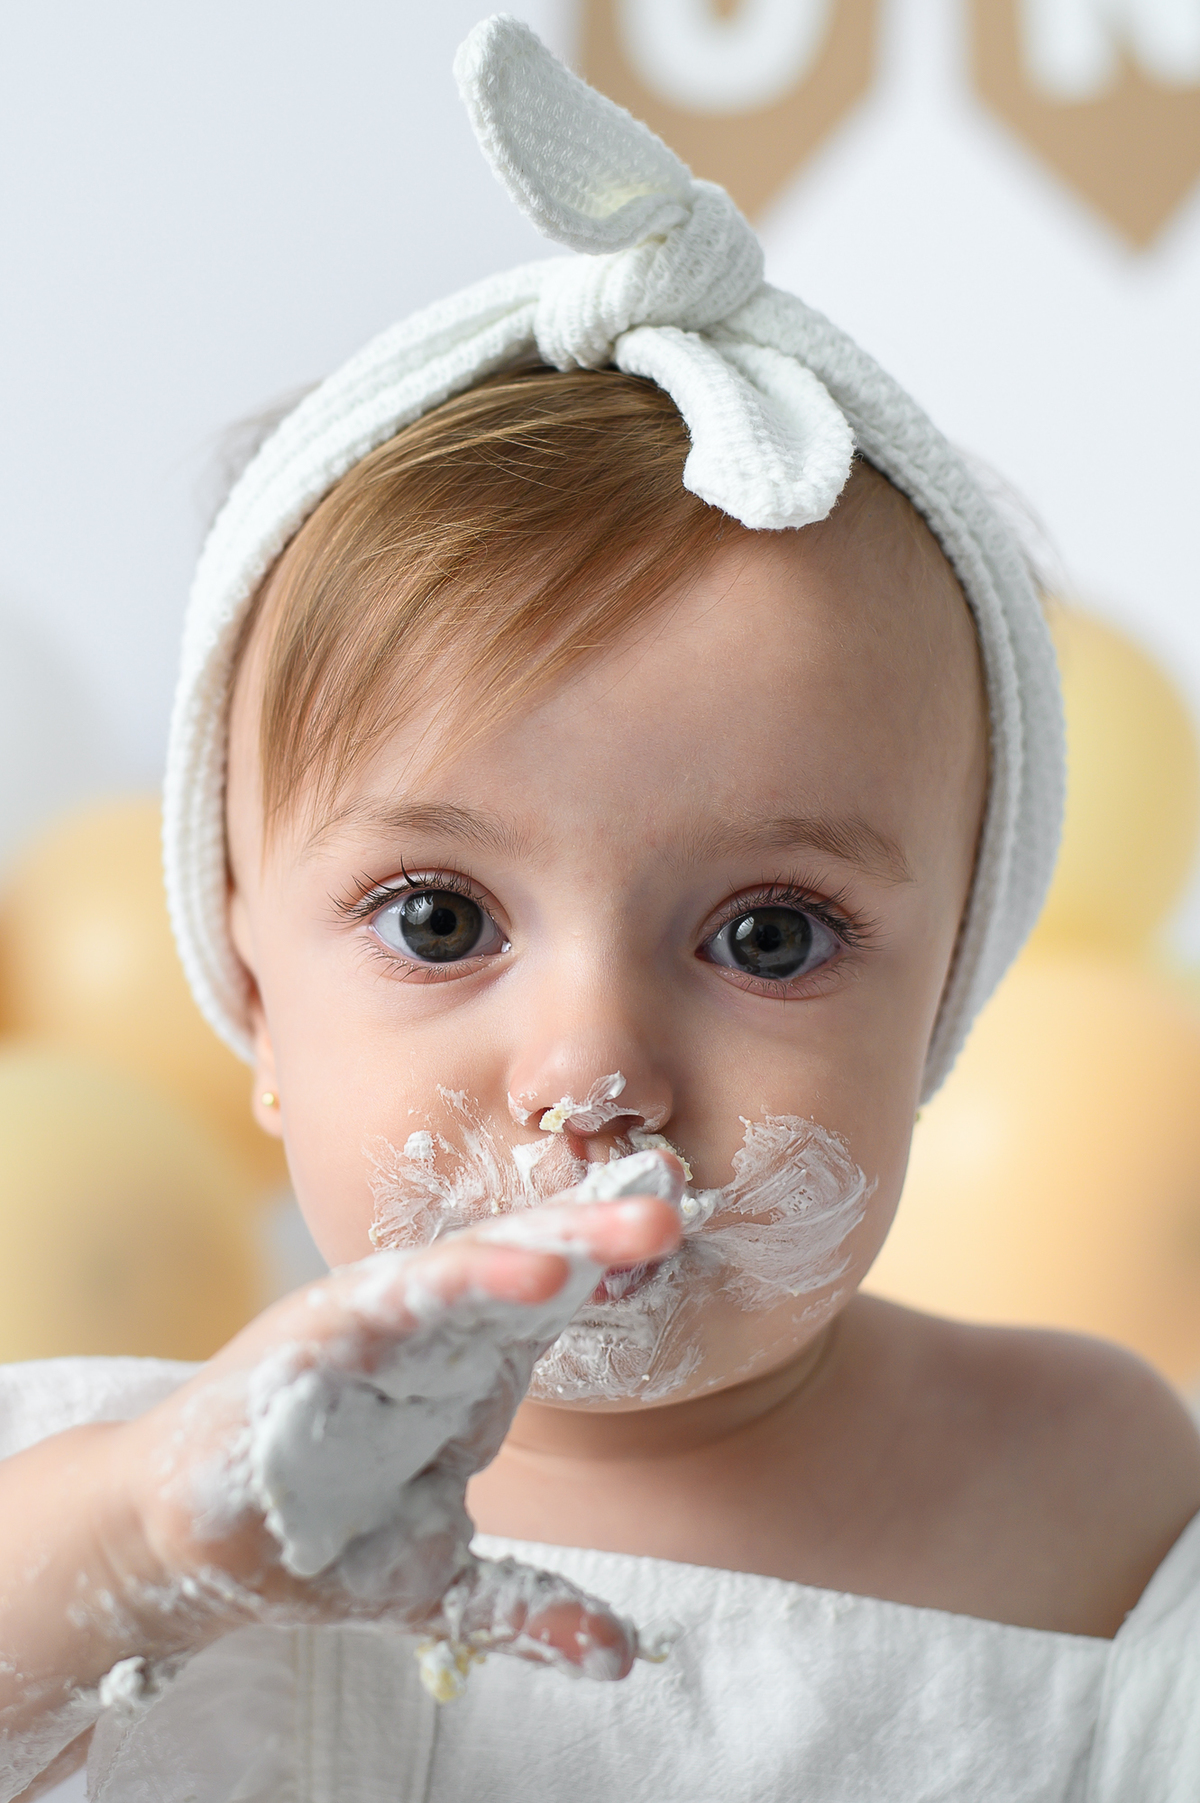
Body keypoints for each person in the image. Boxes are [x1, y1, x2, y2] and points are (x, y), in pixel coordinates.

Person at [2, 18, 1198, 1801]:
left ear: (944, 997)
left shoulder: (1086, 1488)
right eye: (437, 920)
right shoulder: (120, 1484)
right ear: (252, 996)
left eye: (769, 937)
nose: (593, 1067)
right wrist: (126, 1547)